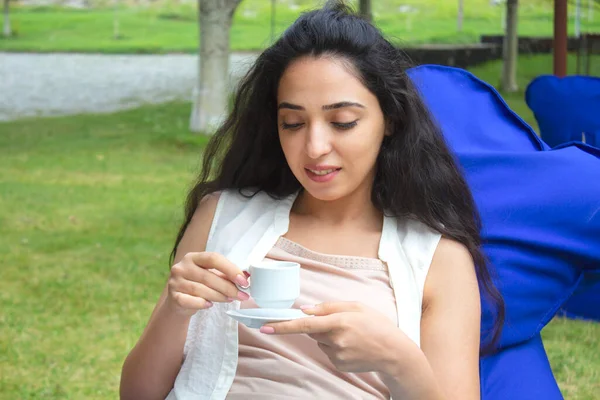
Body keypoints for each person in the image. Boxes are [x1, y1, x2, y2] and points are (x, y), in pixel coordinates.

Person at [120, 1, 504, 399]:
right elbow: (137, 395)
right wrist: (175, 309)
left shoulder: (438, 258)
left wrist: (398, 361)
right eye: (294, 123)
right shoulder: (222, 216)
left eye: (342, 122)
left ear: (390, 120)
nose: (315, 147)